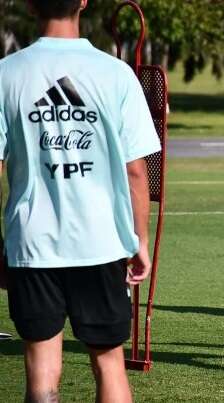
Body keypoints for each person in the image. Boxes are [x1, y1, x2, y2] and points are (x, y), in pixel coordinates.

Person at [0, 0, 161, 401]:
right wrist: (139, 240)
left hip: (32, 244)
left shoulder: (6, 74)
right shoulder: (116, 74)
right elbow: (136, 171)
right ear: (84, 2)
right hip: (101, 242)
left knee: (41, 366)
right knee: (109, 362)